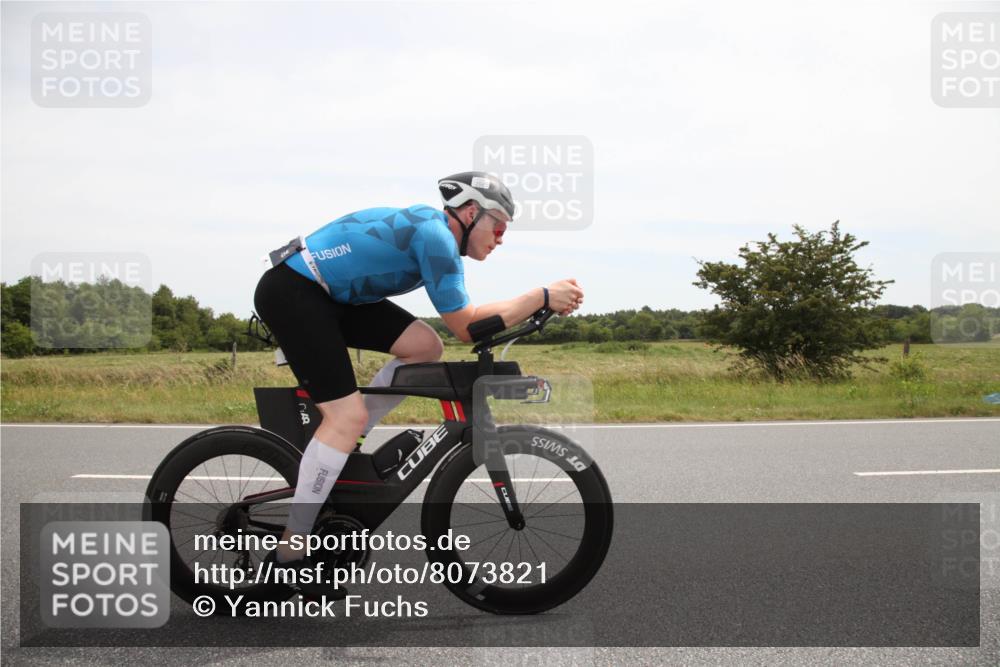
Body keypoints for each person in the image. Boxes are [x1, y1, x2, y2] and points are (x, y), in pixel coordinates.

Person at [252, 171, 584, 597]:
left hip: (330, 295)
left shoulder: (437, 235)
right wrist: (540, 296)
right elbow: (466, 326)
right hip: (294, 291)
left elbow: (461, 326)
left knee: (425, 346)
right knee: (343, 417)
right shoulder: (436, 237)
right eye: (498, 226)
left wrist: (539, 301)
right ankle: (289, 554)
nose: (501, 238)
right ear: (470, 213)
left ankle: (349, 439)